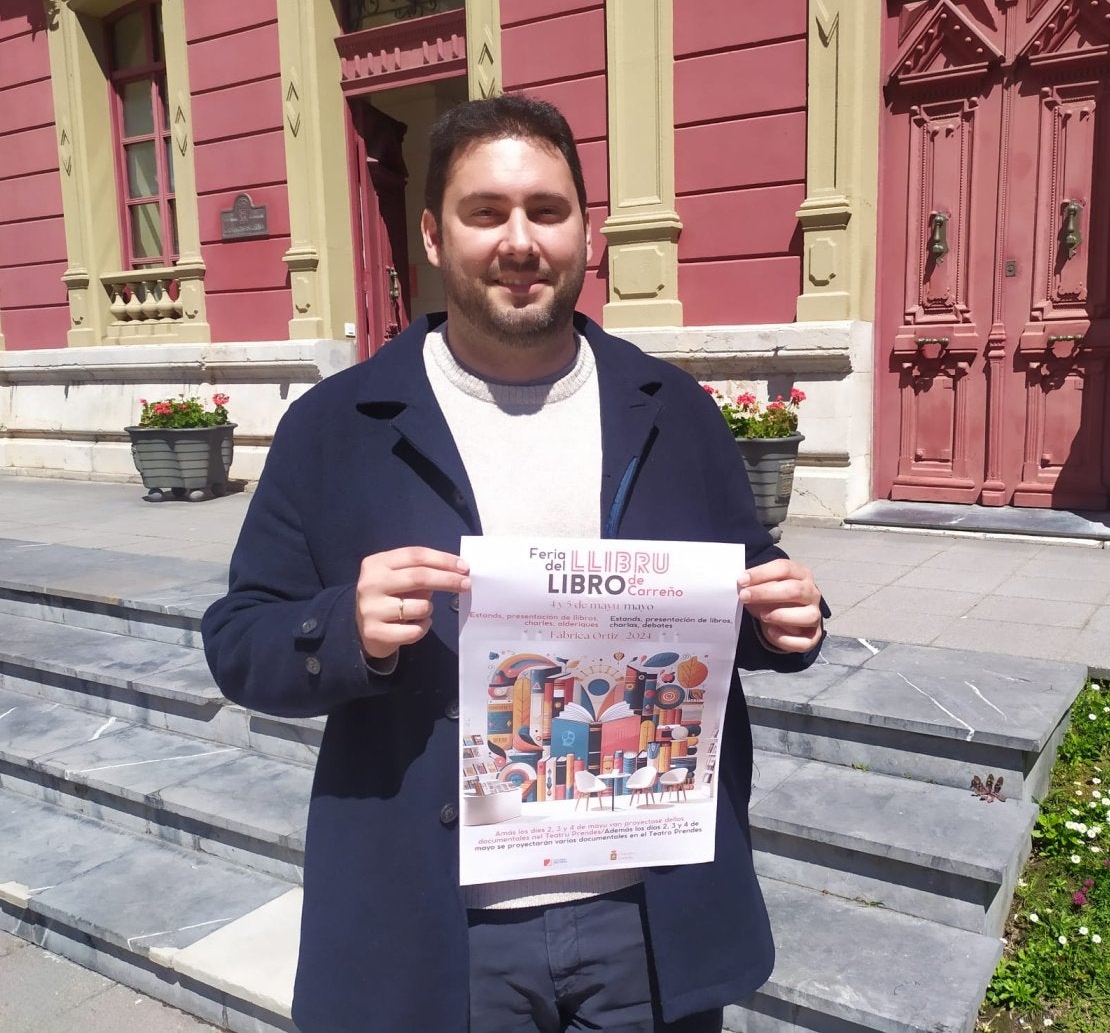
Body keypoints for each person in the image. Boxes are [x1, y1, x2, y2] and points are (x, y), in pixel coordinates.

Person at [202, 94, 824, 1033]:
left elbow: (746, 582)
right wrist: (343, 627)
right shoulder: (335, 428)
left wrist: (789, 620)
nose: (520, 240)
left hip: (645, 917)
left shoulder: (674, 409)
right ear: (434, 234)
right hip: (441, 933)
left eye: (547, 209)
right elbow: (241, 637)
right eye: (486, 213)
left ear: (587, 229)